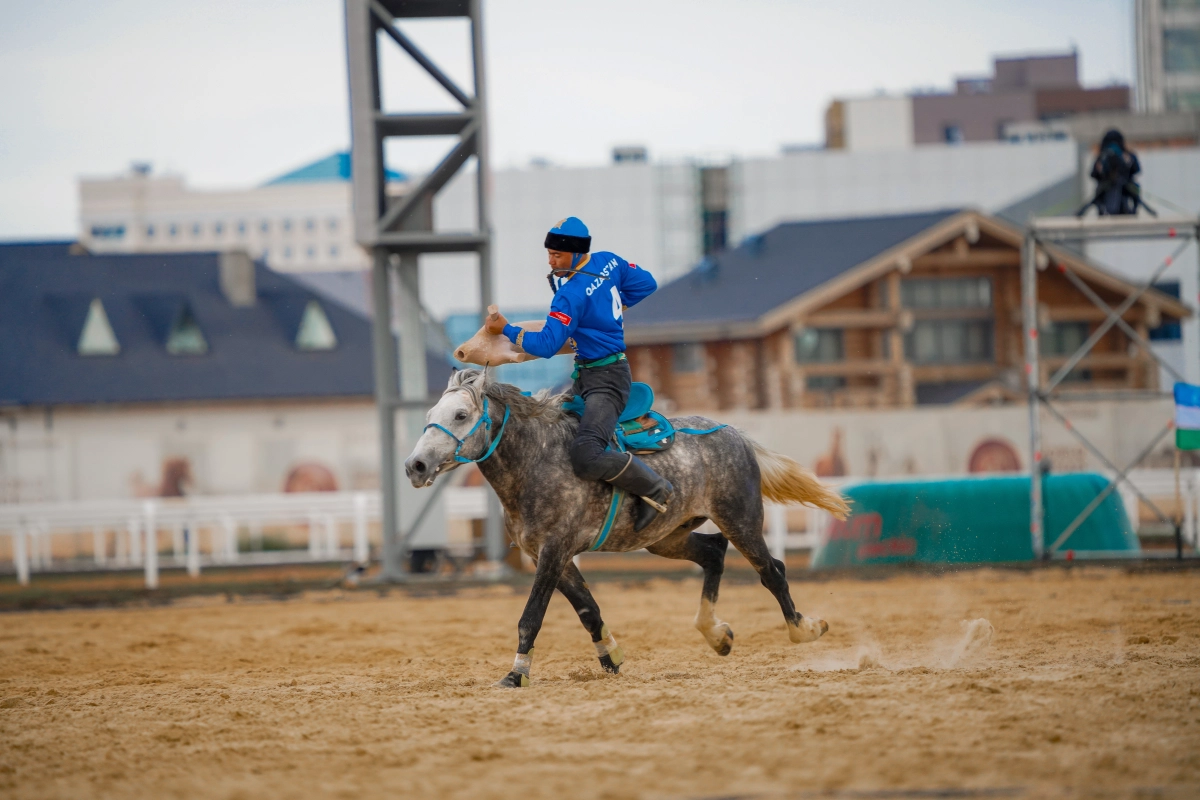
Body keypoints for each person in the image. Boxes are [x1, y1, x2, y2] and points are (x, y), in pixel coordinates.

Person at [484, 217, 673, 531]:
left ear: (574, 254)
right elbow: (647, 283)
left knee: (586, 455)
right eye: (548, 253)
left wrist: (505, 328)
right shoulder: (609, 261)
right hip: (587, 375)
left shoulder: (569, 295)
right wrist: (611, 310)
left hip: (607, 381)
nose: (550, 260)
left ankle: (657, 488)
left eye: (556, 255)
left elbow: (545, 344)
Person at [1079, 129, 1150, 217]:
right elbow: (1094, 174)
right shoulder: (1103, 157)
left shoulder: (1127, 156)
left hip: (1124, 190)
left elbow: (1136, 170)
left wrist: (1127, 165)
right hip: (1106, 190)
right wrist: (1101, 170)